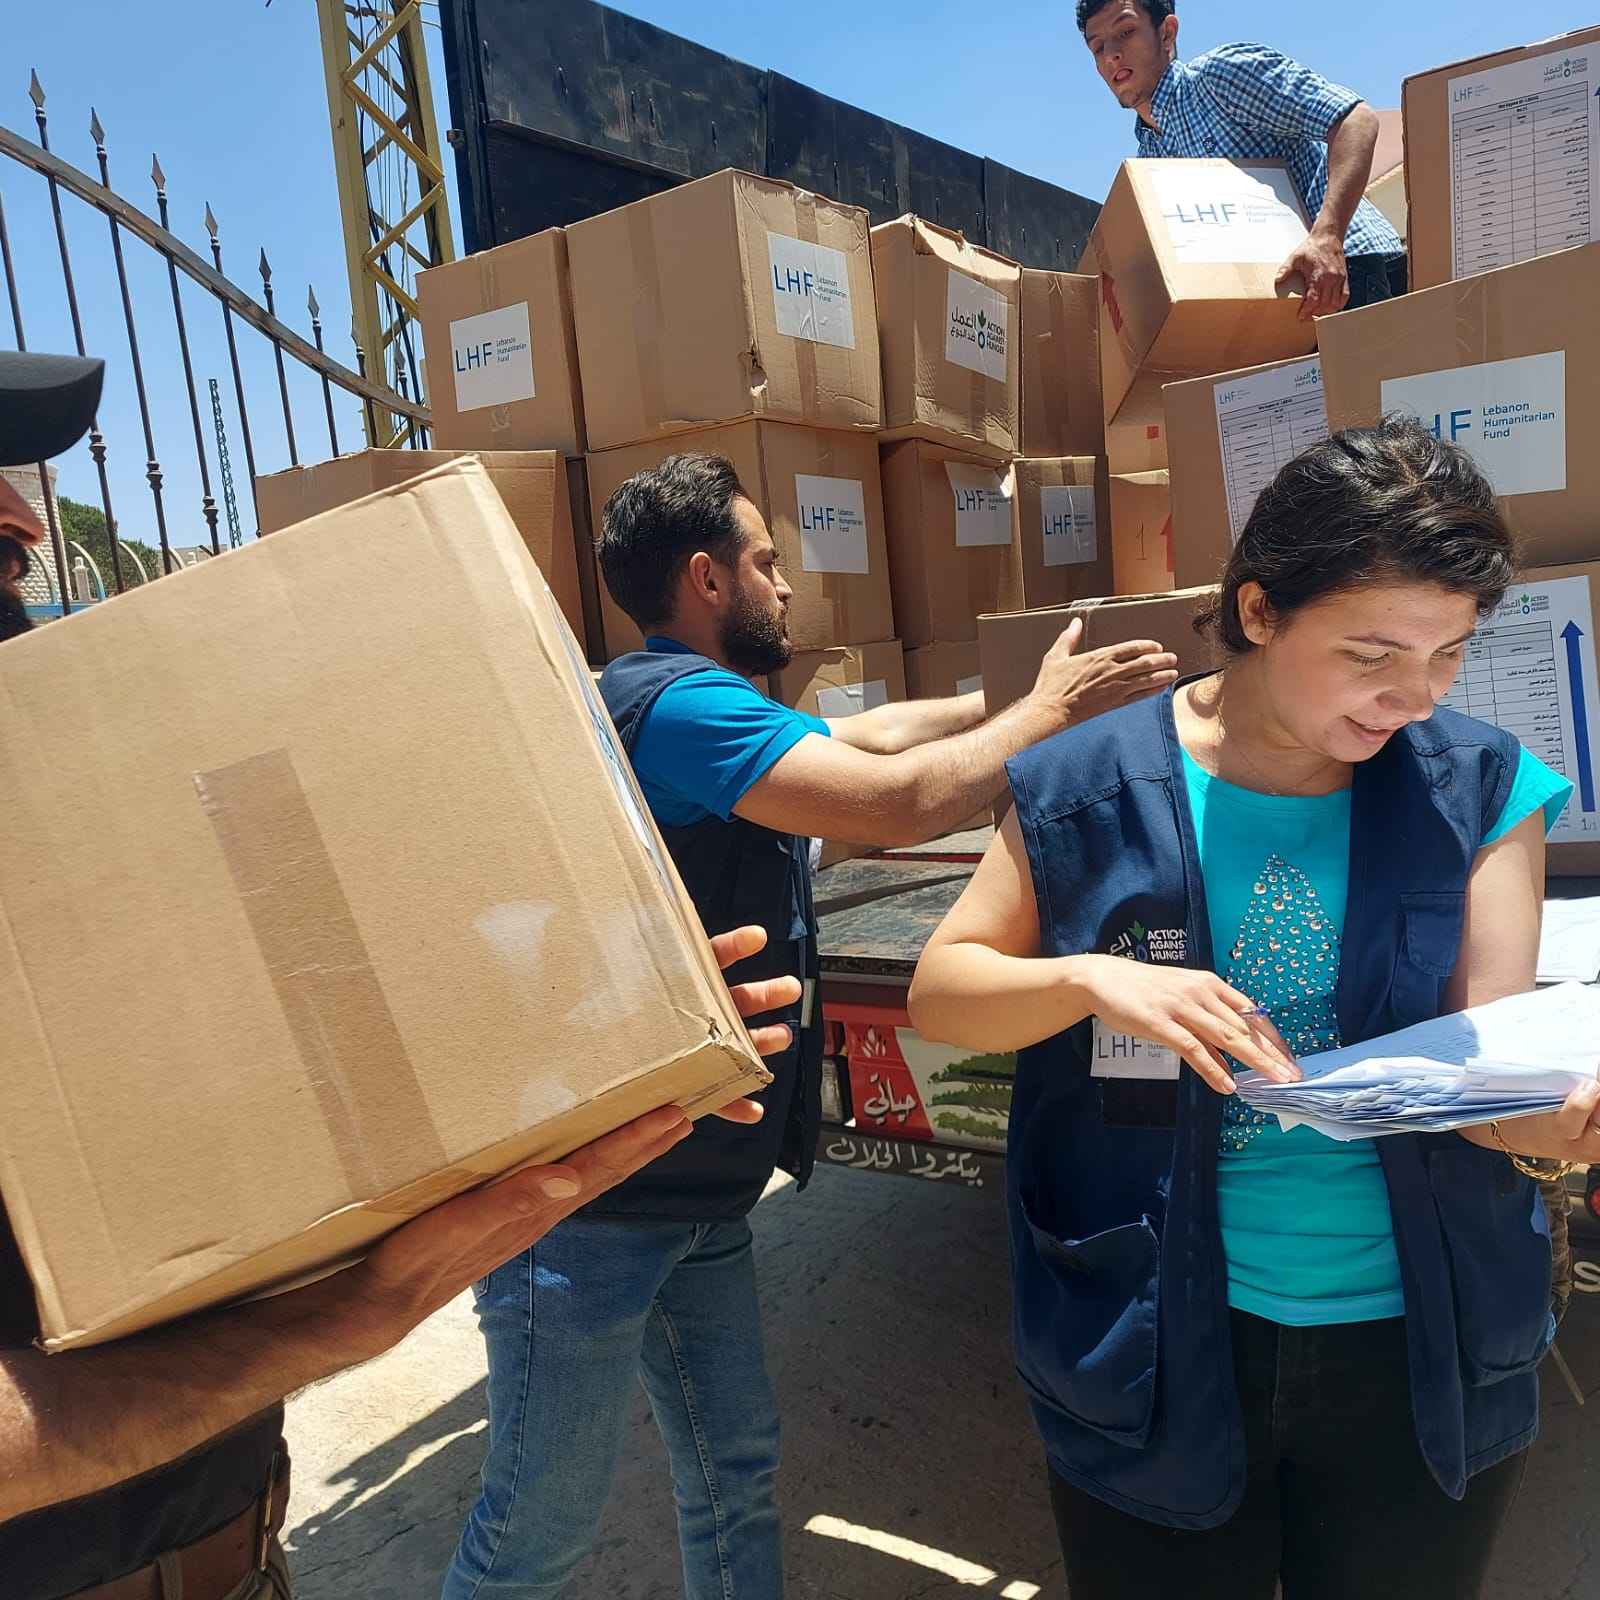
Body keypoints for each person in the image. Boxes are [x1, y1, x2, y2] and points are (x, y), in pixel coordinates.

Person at [0, 351, 800, 1600]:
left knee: (726, 1471)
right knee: (540, 1534)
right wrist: (331, 1321)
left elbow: (265, 1060)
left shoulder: (60, 873)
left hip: (228, 1544)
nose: (26, 523)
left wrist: (595, 1019)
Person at [443, 451, 1181, 1598]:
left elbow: (878, 732)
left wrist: (1009, 697)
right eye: (765, 562)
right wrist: (1044, 716)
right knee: (537, 1529)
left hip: (692, 1184)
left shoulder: (683, 700)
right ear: (705, 578)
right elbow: (891, 803)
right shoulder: (677, 709)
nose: (785, 587)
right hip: (595, 1216)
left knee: (734, 1473)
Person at [909, 417, 1600, 1600]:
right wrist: (1090, 976)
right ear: (1260, 608)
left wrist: (1555, 1129)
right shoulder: (1090, 781)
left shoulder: (1481, 788)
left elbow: (1494, 1079)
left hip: (1411, 1337)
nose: (1412, 696)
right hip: (1162, 1328)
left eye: (1448, 655)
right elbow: (943, 992)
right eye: (1373, 651)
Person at [1078, 0, 1407, 316]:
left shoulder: (1220, 78)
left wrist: (1327, 235)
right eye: (1098, 47)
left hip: (1353, 270)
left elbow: (1356, 120)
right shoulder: (1147, 162)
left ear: (1166, 33)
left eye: (1125, 32)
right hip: (1282, 302)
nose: (1112, 55)